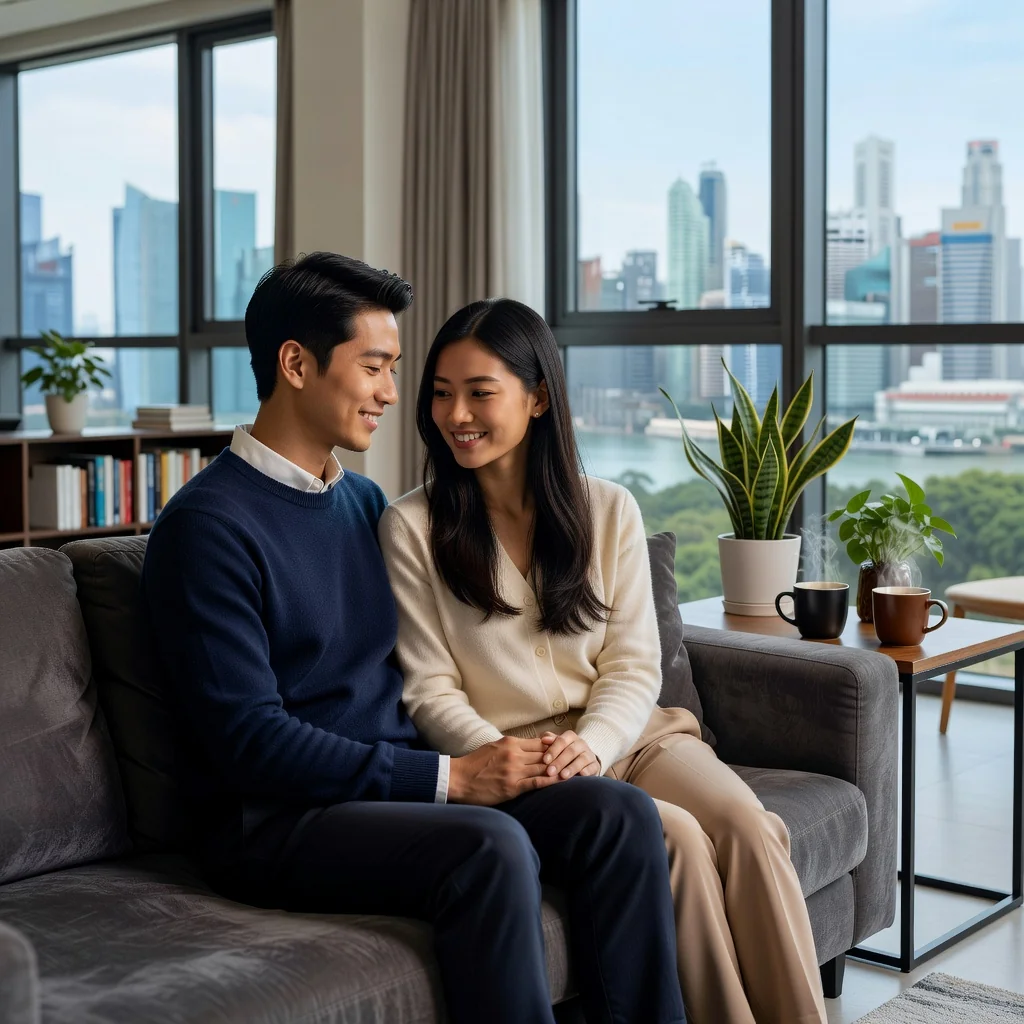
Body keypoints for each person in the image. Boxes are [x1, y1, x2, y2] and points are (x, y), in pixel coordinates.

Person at [141, 254, 686, 1024]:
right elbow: (248, 741)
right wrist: (453, 780)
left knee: (616, 815)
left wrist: (489, 763)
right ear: (296, 364)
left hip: (389, 795)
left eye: (396, 369)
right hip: (276, 822)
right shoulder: (206, 527)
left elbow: (422, 669)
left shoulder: (362, 505)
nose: (395, 395)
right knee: (488, 848)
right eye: (375, 368)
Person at [378, 297, 828, 1024]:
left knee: (748, 824)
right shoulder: (411, 527)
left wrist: (594, 744)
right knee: (675, 839)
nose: (454, 413)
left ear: (537, 398)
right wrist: (502, 758)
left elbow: (631, 665)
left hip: (632, 734)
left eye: (479, 392)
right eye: (440, 392)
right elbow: (428, 688)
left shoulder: (608, 509)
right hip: (522, 761)